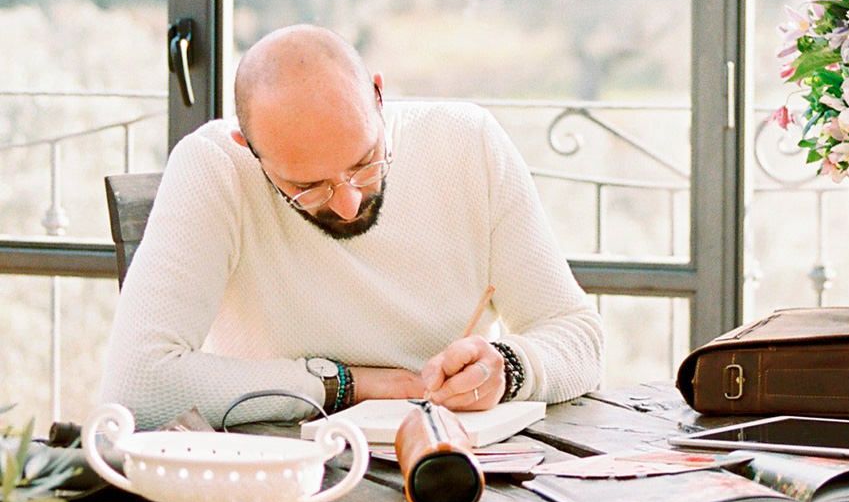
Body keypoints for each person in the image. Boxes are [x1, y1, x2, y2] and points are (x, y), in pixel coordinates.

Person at [99, 25, 604, 429]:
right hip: (278, 479)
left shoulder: (466, 143)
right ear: (247, 147)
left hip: (455, 467)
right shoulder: (214, 166)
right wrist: (341, 384)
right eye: (309, 186)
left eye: (364, 163)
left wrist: (508, 368)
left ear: (379, 97)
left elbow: (579, 337)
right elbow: (138, 386)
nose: (347, 202)